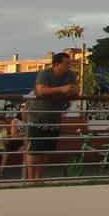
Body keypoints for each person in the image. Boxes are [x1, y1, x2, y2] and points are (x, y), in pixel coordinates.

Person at [26, 52, 77, 182]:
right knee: (34, 150)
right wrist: (61, 90)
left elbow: (75, 90)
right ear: (56, 64)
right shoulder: (44, 74)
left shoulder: (71, 75)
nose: (69, 66)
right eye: (66, 64)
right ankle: (31, 180)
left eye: (69, 64)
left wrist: (71, 91)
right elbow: (40, 91)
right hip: (38, 117)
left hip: (55, 117)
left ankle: (39, 178)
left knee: (47, 150)